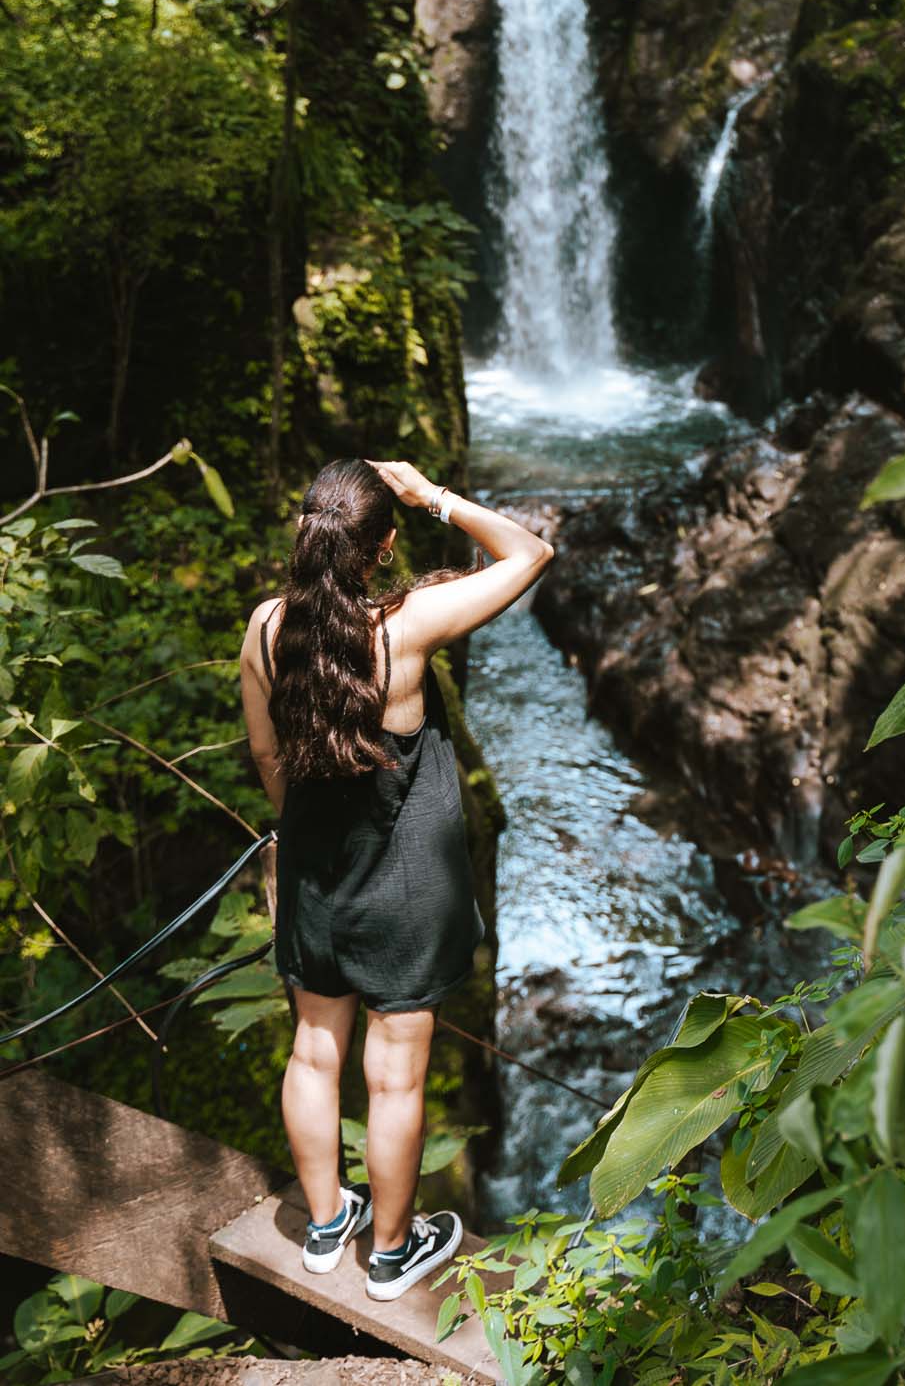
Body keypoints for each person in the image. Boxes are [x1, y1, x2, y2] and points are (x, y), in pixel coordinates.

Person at [240, 456, 553, 1301]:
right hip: (407, 889)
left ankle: (322, 1224)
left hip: (315, 877)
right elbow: (529, 554)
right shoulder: (403, 628)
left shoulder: (268, 628)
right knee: (394, 1077)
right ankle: (387, 1255)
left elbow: (270, 758)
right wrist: (433, 497)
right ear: (379, 548)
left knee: (313, 1052)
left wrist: (303, 838)